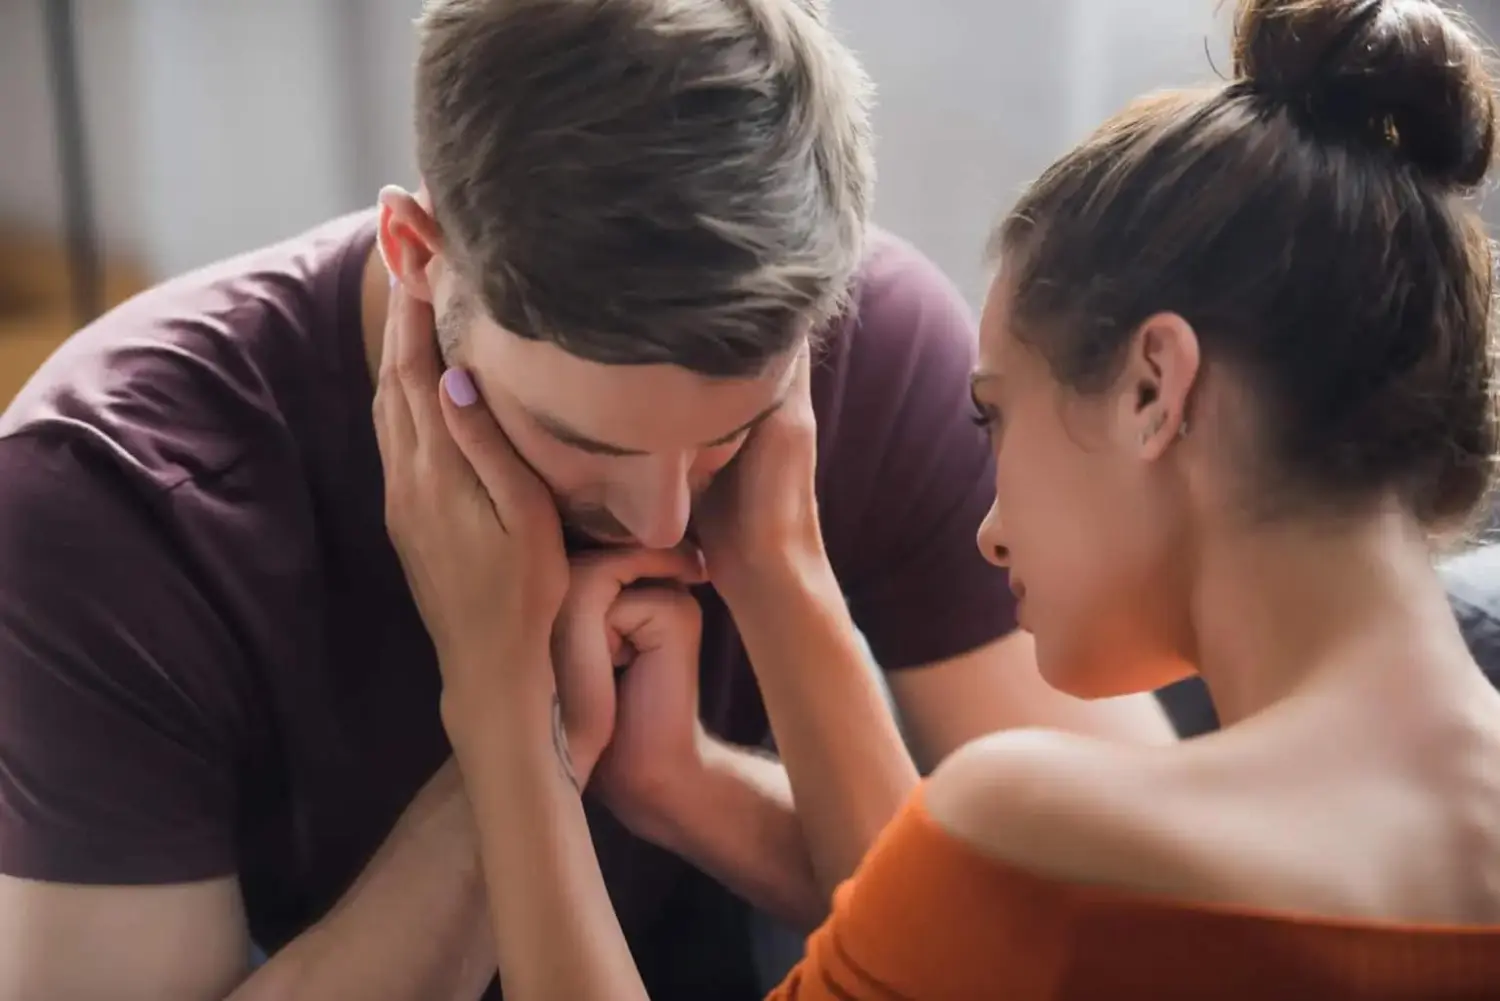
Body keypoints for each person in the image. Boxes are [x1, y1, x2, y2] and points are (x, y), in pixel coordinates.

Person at [0, 2, 1173, 1000]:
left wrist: (766, 610)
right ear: (418, 254)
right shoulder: (106, 492)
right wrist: (509, 724)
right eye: (579, 438)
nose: (663, 522)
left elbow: (1120, 934)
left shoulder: (868, 342)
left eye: (731, 432)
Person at [380, 0, 1500, 997]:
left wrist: (499, 698)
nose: (988, 523)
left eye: (992, 417)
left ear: (1155, 388)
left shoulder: (1048, 835)